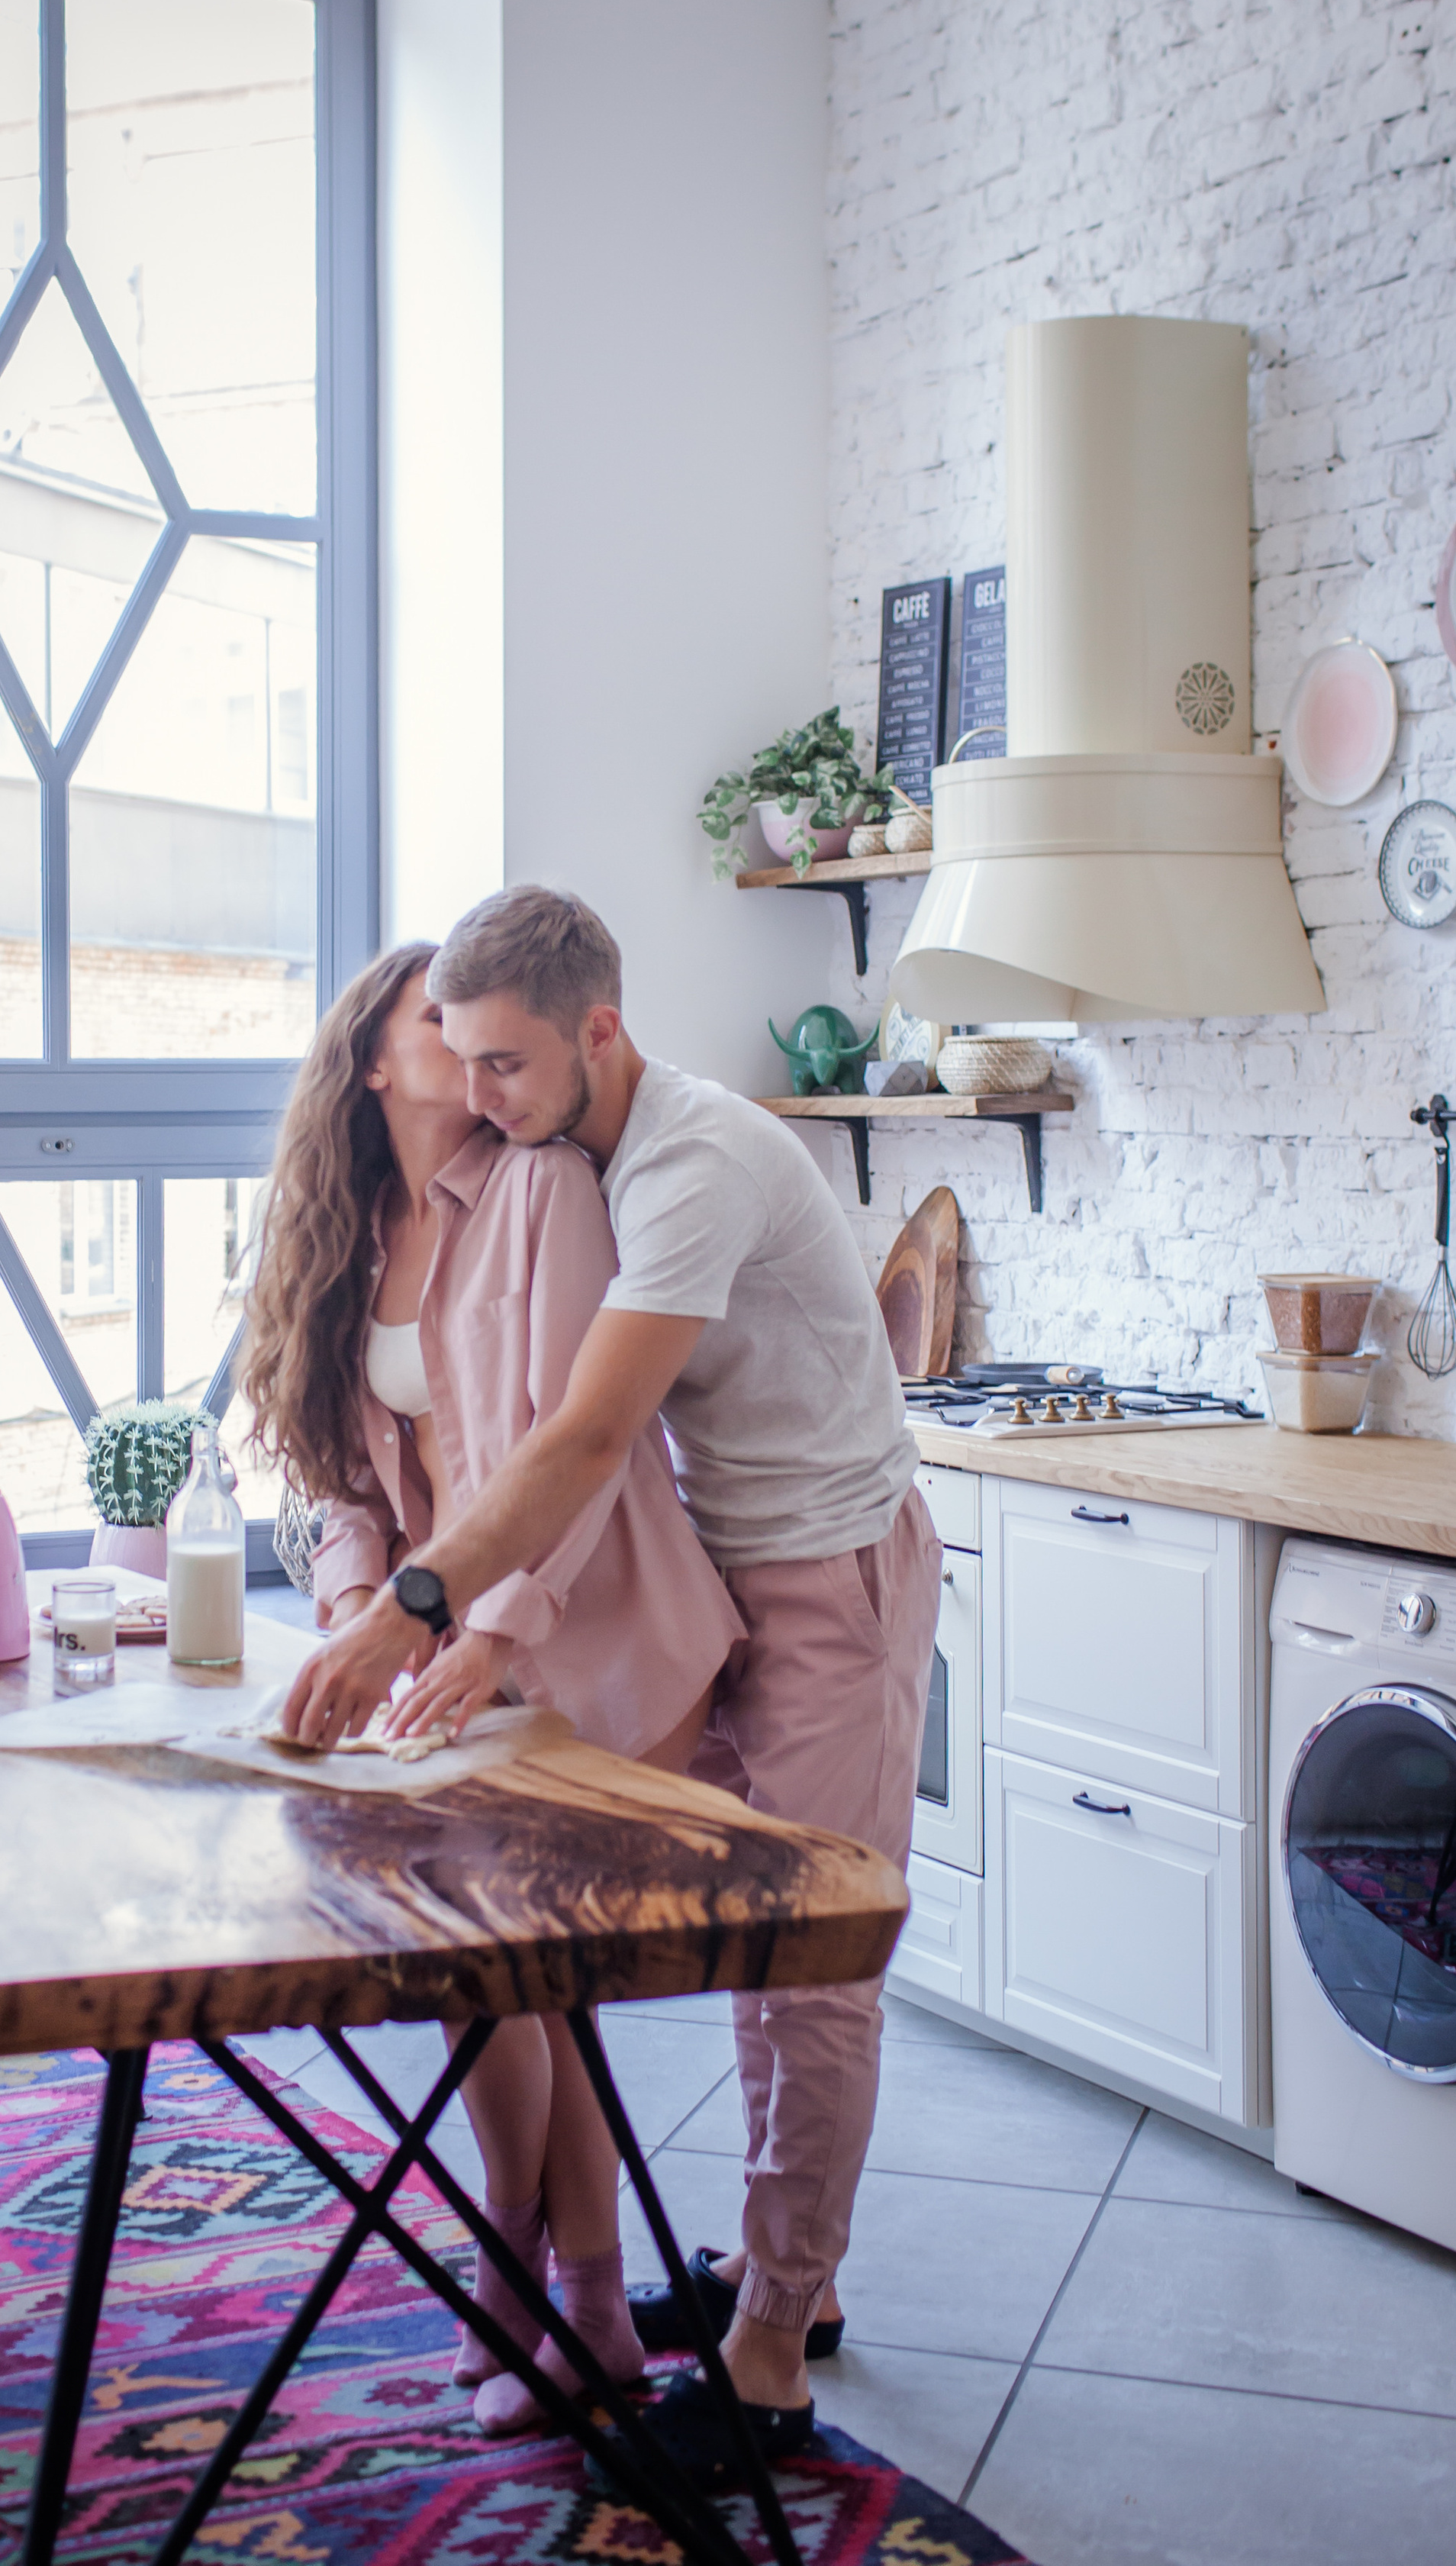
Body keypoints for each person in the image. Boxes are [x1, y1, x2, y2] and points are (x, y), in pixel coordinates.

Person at [282, 888, 939, 2486]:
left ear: (599, 1030)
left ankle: (768, 2360)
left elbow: (580, 1437)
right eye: (459, 1060)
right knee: (745, 1952)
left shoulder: (688, 1164)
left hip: (832, 1573)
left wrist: (417, 1611)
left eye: (505, 1065)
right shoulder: (569, 1153)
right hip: (728, 1569)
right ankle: (784, 2279)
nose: (481, 1097)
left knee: (814, 1963)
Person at [240, 939, 744, 2438]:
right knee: (482, 1976)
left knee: (544, 1984)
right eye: (434, 1028)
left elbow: (579, 1451)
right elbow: (338, 1471)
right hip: (443, 1648)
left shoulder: (543, 1188)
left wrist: (484, 1633)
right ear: (371, 1063)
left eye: (482, 1036)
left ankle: (585, 2306)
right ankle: (512, 2264)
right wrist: (354, 1608)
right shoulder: (351, 1231)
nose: (466, 1055)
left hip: (598, 1632)